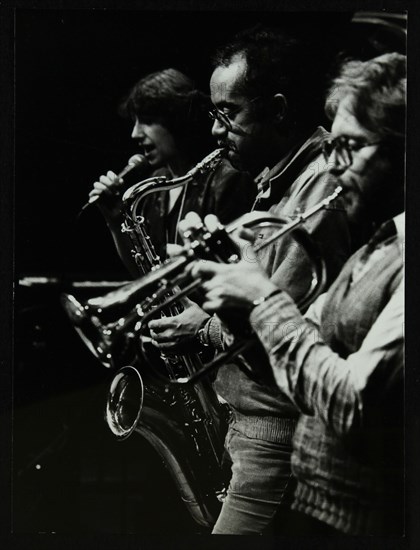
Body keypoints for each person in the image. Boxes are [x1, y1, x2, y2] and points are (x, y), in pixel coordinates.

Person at [148, 28, 376, 534]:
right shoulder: (274, 179)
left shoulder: (316, 183)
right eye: (213, 115)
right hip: (249, 425)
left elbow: (279, 323)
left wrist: (202, 327)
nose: (215, 131)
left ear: (276, 109)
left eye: (228, 114)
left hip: (274, 435)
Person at [88, 68, 255, 277]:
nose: (135, 134)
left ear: (177, 120)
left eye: (147, 121)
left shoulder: (228, 179)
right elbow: (146, 275)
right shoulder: (155, 185)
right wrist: (115, 222)